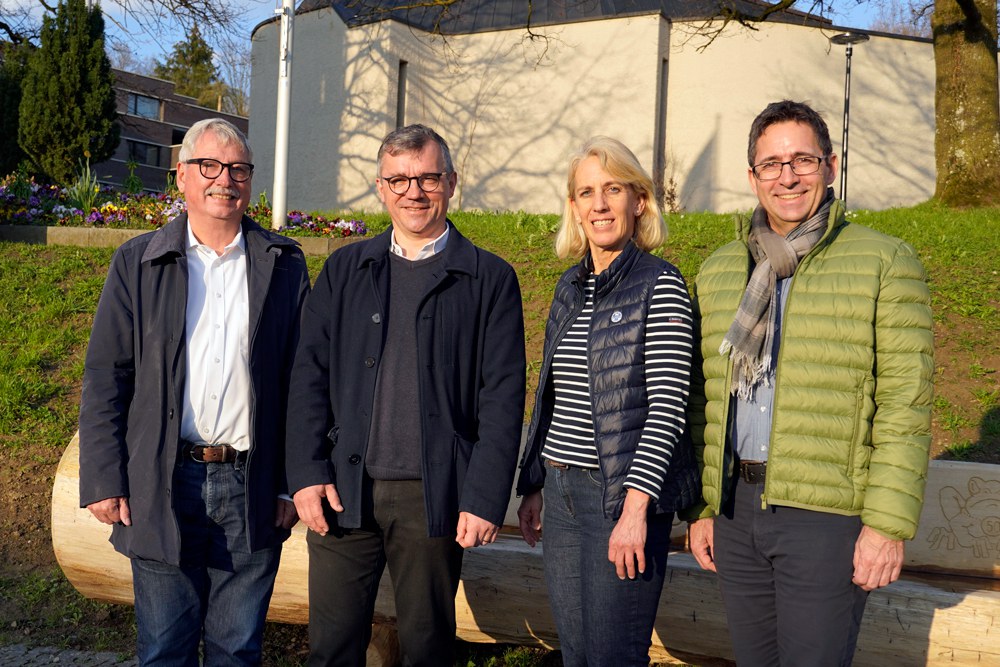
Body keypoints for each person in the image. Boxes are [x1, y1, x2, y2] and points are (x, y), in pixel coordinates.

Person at [687, 100, 934, 665]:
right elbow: (706, 402)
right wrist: (703, 508)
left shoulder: (884, 261)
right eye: (771, 163)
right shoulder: (721, 269)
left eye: (802, 159)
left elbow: (905, 403)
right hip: (735, 509)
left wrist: (885, 526)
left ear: (830, 165)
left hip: (825, 518)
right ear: (752, 176)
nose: (788, 175)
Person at [285, 123, 526, 666]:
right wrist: (304, 474)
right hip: (342, 492)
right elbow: (308, 378)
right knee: (331, 649)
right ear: (380, 187)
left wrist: (485, 495)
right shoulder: (346, 269)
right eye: (398, 179)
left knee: (427, 648)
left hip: (432, 495)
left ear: (451, 182)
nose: (413, 191)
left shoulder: (489, 278)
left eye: (427, 178)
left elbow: (504, 398)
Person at [79, 118, 310, 664]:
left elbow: (305, 384)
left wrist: (289, 484)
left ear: (250, 181)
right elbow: (106, 375)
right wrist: (105, 477)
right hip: (161, 483)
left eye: (237, 169)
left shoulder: (284, 264)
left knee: (238, 649)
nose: (223, 179)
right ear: (180, 176)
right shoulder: (138, 261)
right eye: (209, 166)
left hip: (251, 485)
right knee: (163, 650)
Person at [515, 136, 701, 666]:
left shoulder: (659, 284)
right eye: (586, 192)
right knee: (576, 655)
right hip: (563, 489)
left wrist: (636, 510)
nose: (599, 204)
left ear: (638, 201)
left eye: (612, 189)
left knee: (614, 656)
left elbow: (667, 407)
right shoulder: (568, 288)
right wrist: (534, 485)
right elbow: (549, 394)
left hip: (617, 497)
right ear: (573, 207)